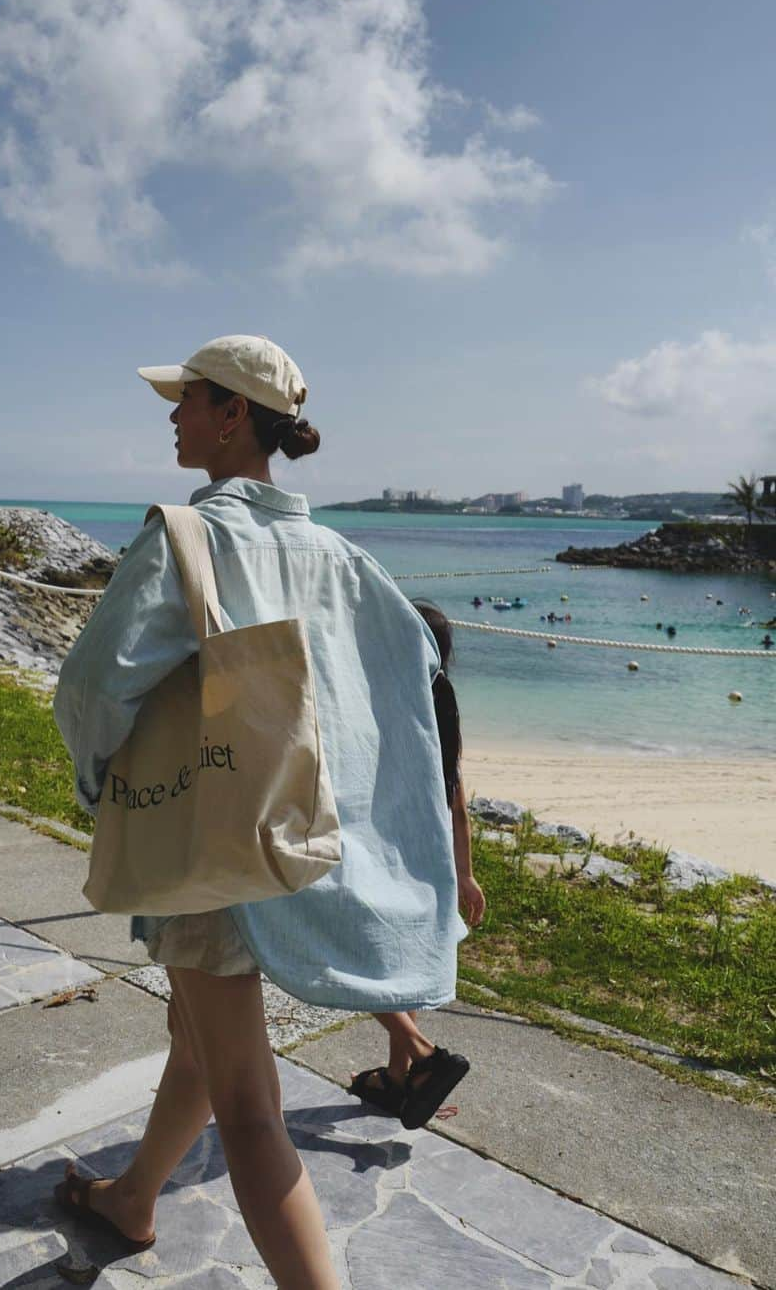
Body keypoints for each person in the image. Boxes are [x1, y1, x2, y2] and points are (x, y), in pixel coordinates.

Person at [52, 335, 467, 1289]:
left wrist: (97, 783)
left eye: (188, 398)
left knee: (248, 1103)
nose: (173, 414)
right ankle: (133, 1197)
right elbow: (394, 699)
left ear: (233, 413)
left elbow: (93, 687)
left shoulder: (192, 533)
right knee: (197, 1040)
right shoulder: (343, 555)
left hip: (214, 842)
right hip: (296, 838)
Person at [347, 602, 484, 1126]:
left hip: (381, 856)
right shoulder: (441, 708)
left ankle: (425, 1056)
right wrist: (465, 874)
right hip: (428, 867)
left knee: (358, 960)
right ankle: (398, 1077)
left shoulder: (382, 705)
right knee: (403, 966)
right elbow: (458, 805)